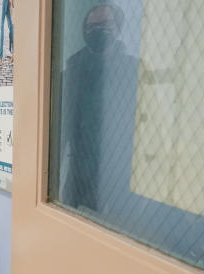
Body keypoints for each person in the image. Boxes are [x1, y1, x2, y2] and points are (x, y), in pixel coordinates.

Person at [59, 3, 137, 211]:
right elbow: (60, 133)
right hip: (80, 177)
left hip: (122, 175)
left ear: (118, 27)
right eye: (91, 26)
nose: (97, 31)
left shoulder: (134, 72)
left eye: (104, 24)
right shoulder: (73, 73)